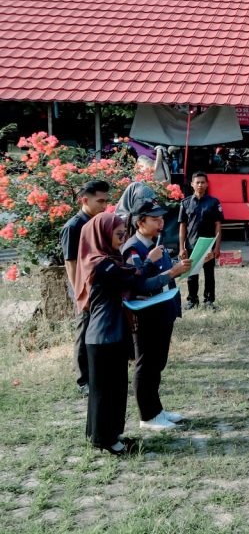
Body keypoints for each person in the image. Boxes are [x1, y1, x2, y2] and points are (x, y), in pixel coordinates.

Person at [76, 213, 190, 455]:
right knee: (107, 392)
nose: (122, 239)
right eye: (118, 235)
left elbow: (127, 284)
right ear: (101, 235)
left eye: (123, 234)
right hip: (106, 334)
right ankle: (108, 441)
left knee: (111, 390)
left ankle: (103, 436)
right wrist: (150, 262)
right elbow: (134, 280)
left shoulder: (107, 260)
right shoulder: (103, 264)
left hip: (109, 333)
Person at [122, 199, 196, 430]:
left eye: (162, 218)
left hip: (162, 311)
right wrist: (171, 272)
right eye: (155, 219)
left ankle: (156, 410)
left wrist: (186, 265)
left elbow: (167, 269)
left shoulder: (156, 244)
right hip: (146, 315)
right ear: (140, 222)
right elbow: (139, 285)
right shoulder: (133, 249)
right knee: (146, 365)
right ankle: (148, 416)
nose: (161, 223)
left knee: (157, 363)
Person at [60, 179, 110, 394]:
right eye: (100, 201)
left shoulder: (99, 222)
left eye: (106, 201)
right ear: (85, 200)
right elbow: (70, 263)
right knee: (83, 333)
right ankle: (83, 381)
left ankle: (99, 373)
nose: (104, 206)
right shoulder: (74, 227)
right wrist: (80, 294)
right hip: (83, 289)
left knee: (100, 331)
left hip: (100, 286)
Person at [178, 172, 223, 310]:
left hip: (208, 245)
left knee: (209, 274)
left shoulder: (214, 202)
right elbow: (182, 226)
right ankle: (192, 300)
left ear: (207, 184)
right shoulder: (185, 203)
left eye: (203, 182)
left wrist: (217, 247)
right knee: (192, 274)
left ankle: (209, 300)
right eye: (197, 182)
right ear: (192, 184)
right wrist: (181, 247)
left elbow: (218, 225)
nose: (200, 185)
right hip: (191, 244)